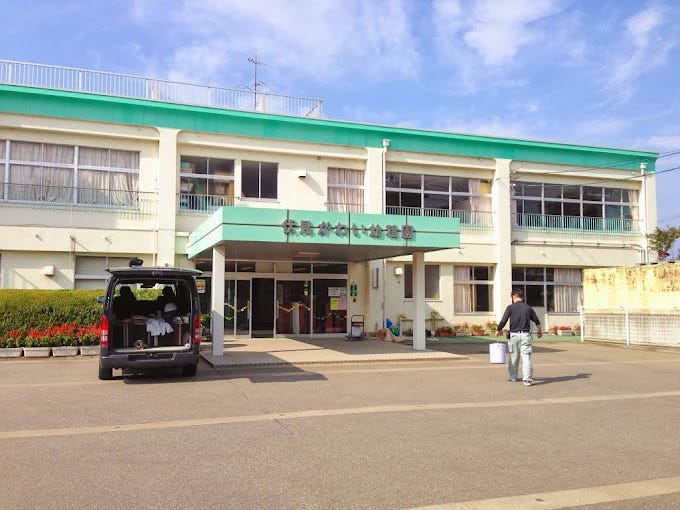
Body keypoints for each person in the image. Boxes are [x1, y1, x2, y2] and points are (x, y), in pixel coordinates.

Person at [496, 288, 543, 386]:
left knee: (514, 356)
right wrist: (539, 331)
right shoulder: (528, 308)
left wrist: (498, 329)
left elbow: (503, 320)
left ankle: (513, 377)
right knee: (526, 357)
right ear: (523, 297)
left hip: (514, 335)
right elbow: (537, 321)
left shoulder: (510, 308)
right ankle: (527, 379)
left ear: (513, 296)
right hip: (526, 335)